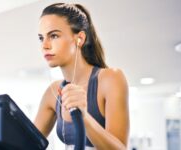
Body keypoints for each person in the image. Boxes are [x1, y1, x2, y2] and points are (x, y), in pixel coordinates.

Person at [34, 3, 130, 149]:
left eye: (53, 36)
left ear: (80, 39)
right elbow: (25, 144)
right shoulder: (53, 92)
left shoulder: (110, 79)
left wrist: (83, 116)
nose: (45, 45)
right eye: (41, 38)